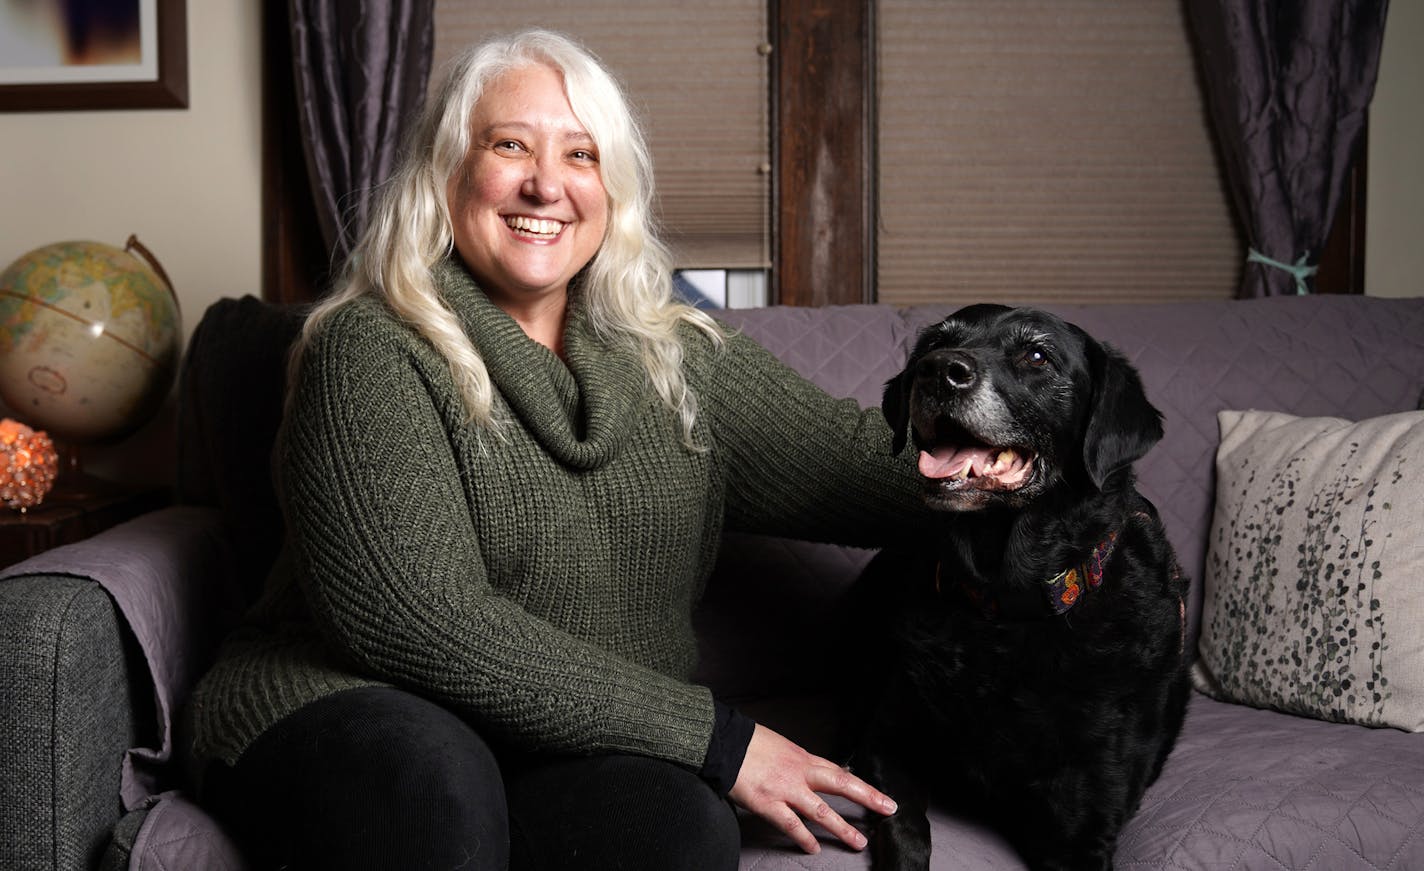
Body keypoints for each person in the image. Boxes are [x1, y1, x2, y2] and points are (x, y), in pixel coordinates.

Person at [188, 28, 933, 871]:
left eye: (581, 155)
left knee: (678, 829)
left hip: (574, 738)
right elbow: (419, 623)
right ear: (447, 172)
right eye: (510, 145)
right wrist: (716, 738)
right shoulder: (368, 348)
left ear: (611, 190)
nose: (547, 183)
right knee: (437, 787)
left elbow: (867, 465)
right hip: (357, 707)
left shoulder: (675, 356)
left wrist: (1035, 477)